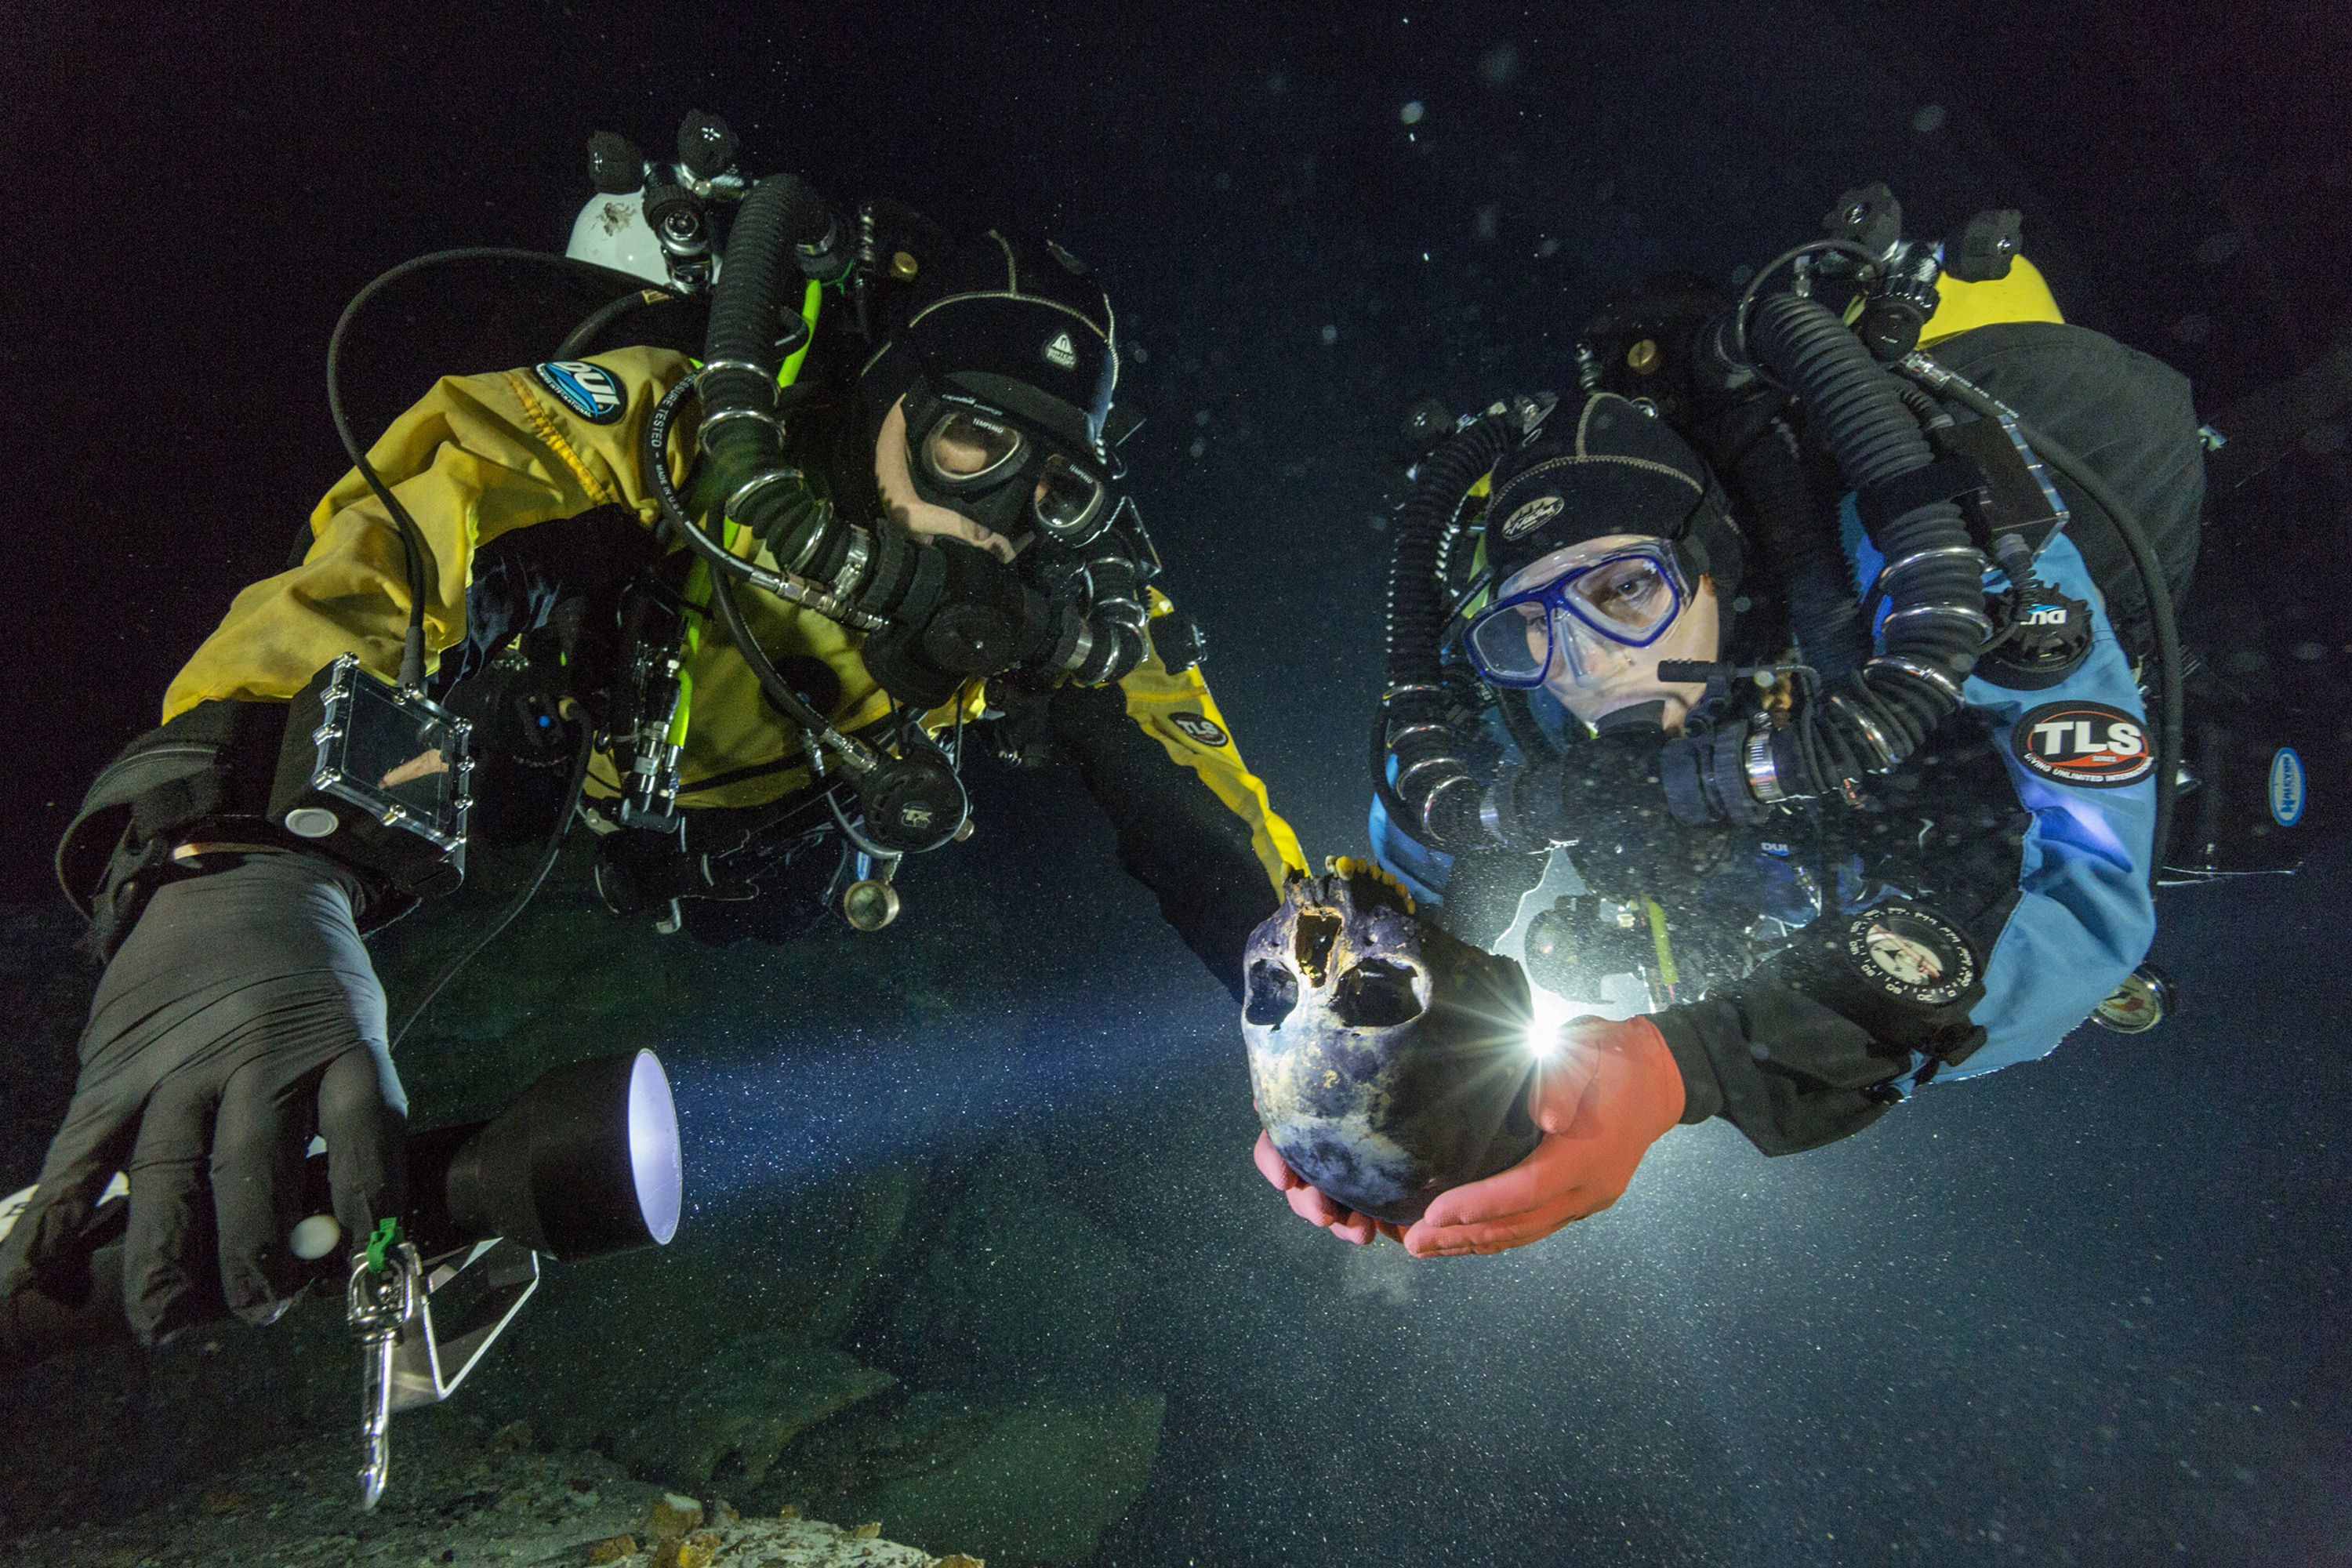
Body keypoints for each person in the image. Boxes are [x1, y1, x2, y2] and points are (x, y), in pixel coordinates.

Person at [2, 180, 1305, 1345]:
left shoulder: (1048, 599)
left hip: (778, 845)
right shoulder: (670, 438)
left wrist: (1357, 991)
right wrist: (229, 843)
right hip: (581, 760)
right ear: (884, 396)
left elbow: (1197, 780)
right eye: (972, 442)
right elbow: (429, 510)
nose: (1000, 518)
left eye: (1057, 488)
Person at [1257, 246, 2207, 1258]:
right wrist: (1335, 1068)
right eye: (1532, 625)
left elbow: (2085, 899)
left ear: (1714, 561)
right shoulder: (1521, 670)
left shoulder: (1922, 562)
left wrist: (1694, 1061)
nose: (1587, 661)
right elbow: (1409, 889)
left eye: (1628, 591)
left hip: (1959, 772)